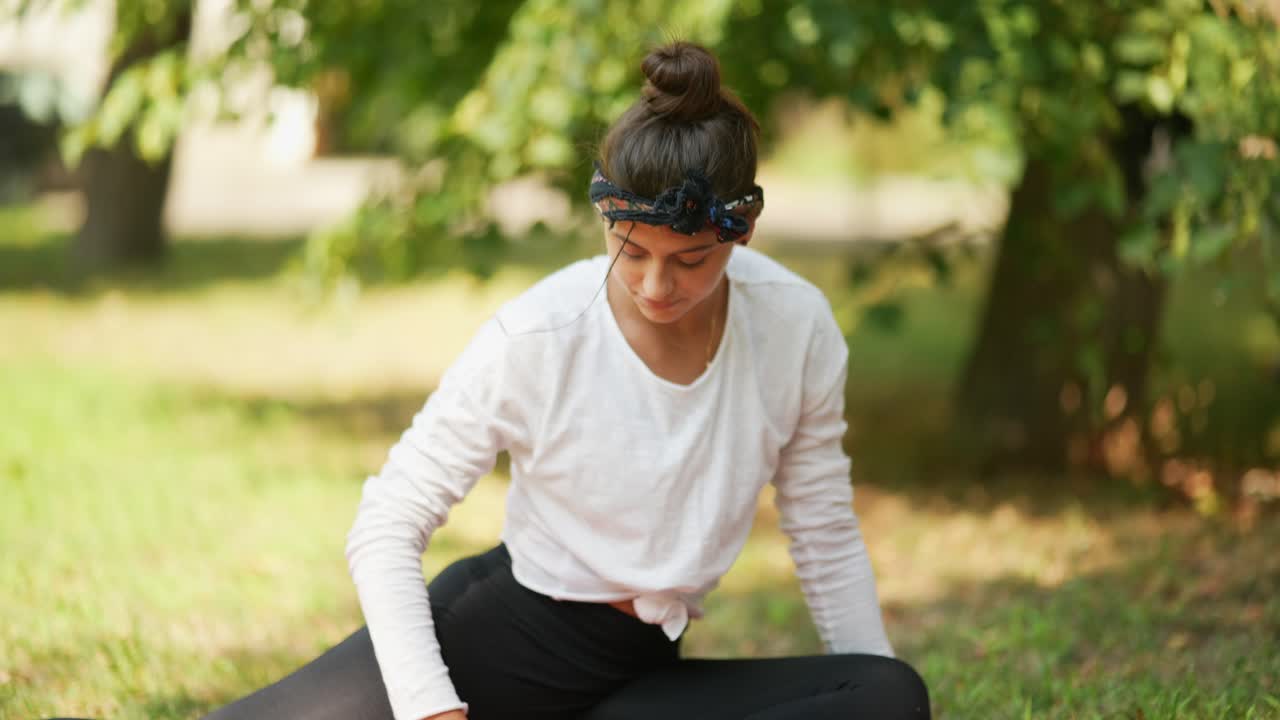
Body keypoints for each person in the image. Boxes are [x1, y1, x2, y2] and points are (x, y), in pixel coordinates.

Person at [201, 41, 930, 720]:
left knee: (885, 693)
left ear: (741, 233)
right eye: (631, 248)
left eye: (689, 260)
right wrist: (432, 708)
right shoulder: (540, 335)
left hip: (636, 675)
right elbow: (387, 523)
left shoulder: (794, 329)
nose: (654, 285)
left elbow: (824, 531)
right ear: (605, 217)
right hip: (492, 648)